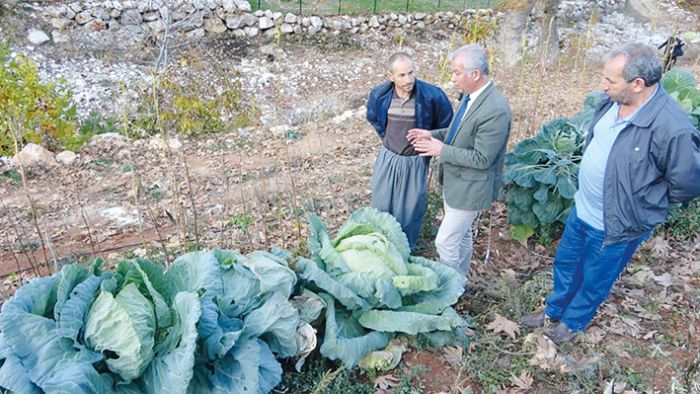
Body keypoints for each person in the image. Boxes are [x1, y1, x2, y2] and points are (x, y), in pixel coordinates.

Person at [521, 43, 700, 344]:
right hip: (583, 210)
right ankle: (554, 311)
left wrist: (644, 203)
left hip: (618, 223)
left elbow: (687, 183)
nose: (602, 86)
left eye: (610, 81)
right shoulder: (611, 102)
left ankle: (572, 322)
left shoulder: (672, 128)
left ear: (638, 84)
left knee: (595, 278)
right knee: (566, 264)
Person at [407, 44, 512, 277]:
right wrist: (431, 134)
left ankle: (449, 289)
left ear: (475, 74)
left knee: (445, 242)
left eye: (456, 73)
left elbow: (483, 158)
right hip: (457, 184)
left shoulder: (495, 109)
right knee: (462, 236)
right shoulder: (470, 98)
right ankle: (461, 283)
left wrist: (440, 150)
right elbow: (459, 133)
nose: (452, 79)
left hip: (471, 188)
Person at [366, 52, 454, 251]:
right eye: (402, 75)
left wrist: (429, 139)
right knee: (381, 205)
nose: (408, 80)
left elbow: (447, 126)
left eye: (411, 73)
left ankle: (405, 252)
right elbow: (374, 117)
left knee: (409, 210)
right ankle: (379, 249)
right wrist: (387, 138)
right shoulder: (380, 95)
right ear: (391, 76)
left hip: (414, 161)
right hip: (388, 157)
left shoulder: (433, 95)